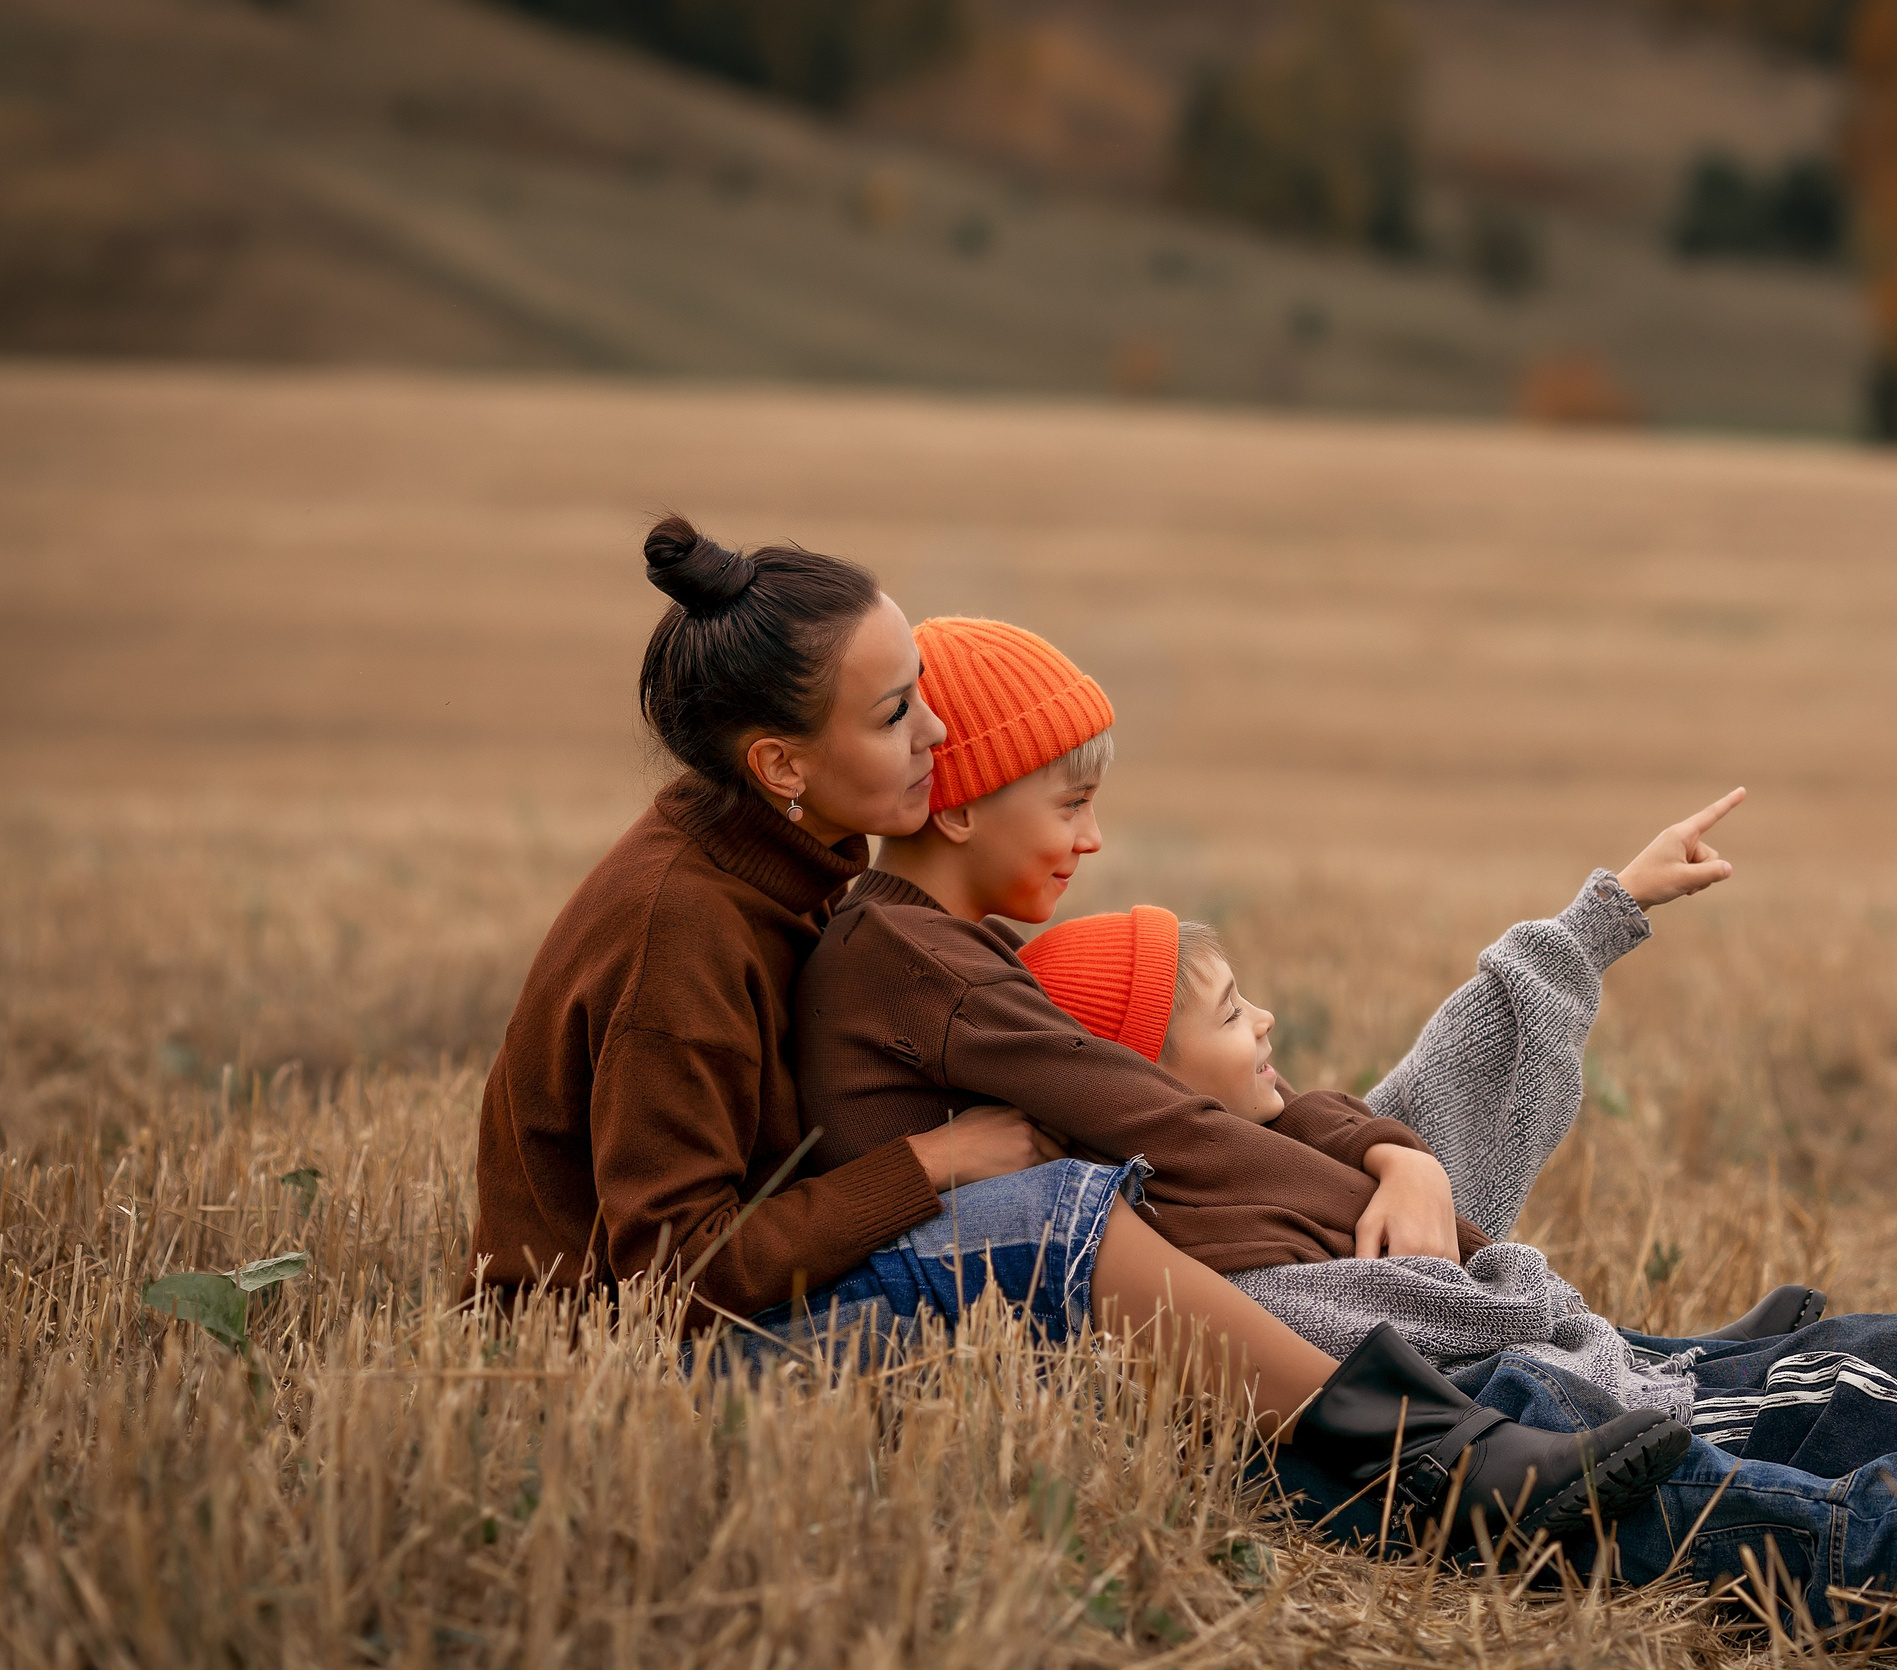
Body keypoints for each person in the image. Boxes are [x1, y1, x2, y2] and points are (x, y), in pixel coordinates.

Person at [794, 613, 1897, 1617]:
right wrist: (1411, 1133)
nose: (1094, 830)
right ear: (962, 795)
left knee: (1894, 1356)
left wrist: (1570, 945)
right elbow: (1205, 1132)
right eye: (1229, 1012)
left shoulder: (1217, 1132)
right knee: (1830, 1416)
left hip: (1563, 1372)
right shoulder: (1108, 1138)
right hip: (1550, 1403)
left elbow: (1371, 1105)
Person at [465, 518, 1684, 1557]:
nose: (938, 744)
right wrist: (930, 1172)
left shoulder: (787, 862)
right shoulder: (679, 927)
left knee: (1060, 1198)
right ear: (782, 763)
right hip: (629, 1371)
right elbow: (666, 1278)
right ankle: (1429, 1476)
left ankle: (1468, 1397)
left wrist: (1397, 1160)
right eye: (897, 717)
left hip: (753, 1302)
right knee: (1046, 1218)